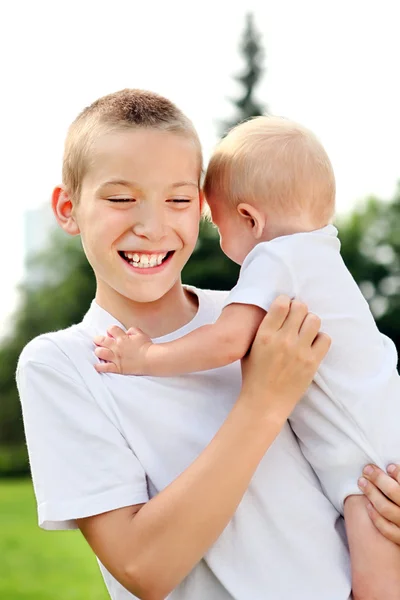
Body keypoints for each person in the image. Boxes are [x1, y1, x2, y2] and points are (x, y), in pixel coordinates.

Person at [16, 89, 400, 600]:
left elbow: (360, 411)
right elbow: (144, 567)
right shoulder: (64, 364)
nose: (151, 226)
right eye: (120, 197)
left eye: (177, 199)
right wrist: (264, 400)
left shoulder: (266, 314)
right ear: (68, 208)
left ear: (203, 208)